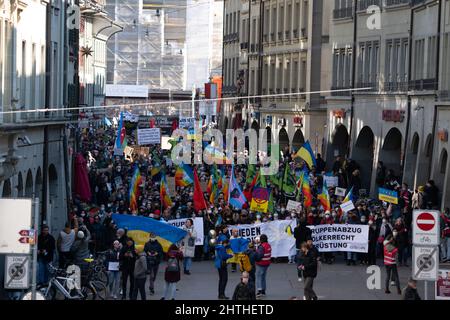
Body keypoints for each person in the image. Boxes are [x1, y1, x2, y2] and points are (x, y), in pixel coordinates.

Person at [255, 234, 272, 298]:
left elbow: (259, 256)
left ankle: (259, 291)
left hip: (261, 263)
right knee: (263, 277)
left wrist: (255, 258)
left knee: (259, 277)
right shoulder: (268, 245)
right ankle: (263, 291)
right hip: (267, 263)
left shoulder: (262, 246)